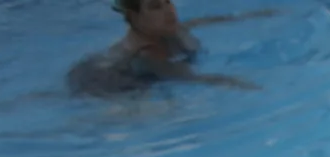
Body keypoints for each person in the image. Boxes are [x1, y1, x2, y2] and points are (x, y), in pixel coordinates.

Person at [67, 0, 270, 96]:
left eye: (167, 2)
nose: (168, 11)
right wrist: (247, 86)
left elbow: (196, 23)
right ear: (134, 17)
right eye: (156, 7)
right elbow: (193, 78)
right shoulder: (145, 54)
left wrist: (248, 17)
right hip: (104, 80)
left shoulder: (166, 31)